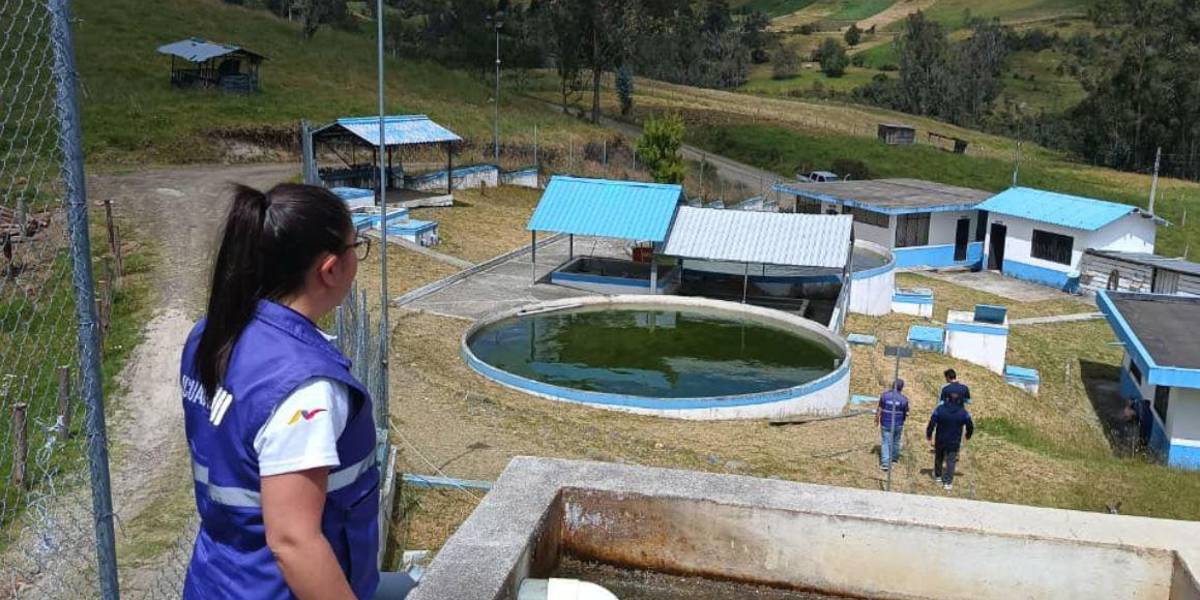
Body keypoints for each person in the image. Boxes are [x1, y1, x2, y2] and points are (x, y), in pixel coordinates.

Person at [180, 184, 413, 600]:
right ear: (329, 269)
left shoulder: (212, 334)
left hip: (218, 579)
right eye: (355, 246)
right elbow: (293, 542)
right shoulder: (305, 387)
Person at [926, 394, 974, 490]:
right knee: (951, 461)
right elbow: (970, 425)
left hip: (940, 439)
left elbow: (932, 422)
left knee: (939, 457)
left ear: (947, 399)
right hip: (954, 440)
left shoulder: (939, 409)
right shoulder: (963, 412)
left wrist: (929, 434)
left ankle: (938, 476)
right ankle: (948, 482)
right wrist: (968, 435)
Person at [875, 379, 909, 471]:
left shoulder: (884, 396)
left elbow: (879, 408)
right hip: (898, 424)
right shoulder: (904, 399)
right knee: (896, 440)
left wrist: (876, 419)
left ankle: (885, 463)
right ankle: (894, 457)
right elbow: (906, 412)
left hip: (885, 423)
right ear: (901, 388)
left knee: (885, 442)